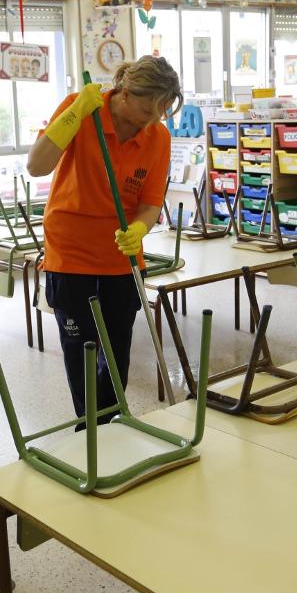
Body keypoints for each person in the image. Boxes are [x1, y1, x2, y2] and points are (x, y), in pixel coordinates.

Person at [27, 55, 182, 421]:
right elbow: (37, 165)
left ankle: (111, 423)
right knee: (80, 350)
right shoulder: (83, 111)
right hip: (71, 251)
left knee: (117, 352)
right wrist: (76, 112)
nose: (152, 120)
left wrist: (140, 229)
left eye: (160, 113)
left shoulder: (157, 137)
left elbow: (150, 203)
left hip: (121, 255)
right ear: (125, 93)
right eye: (147, 109)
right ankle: (90, 431)